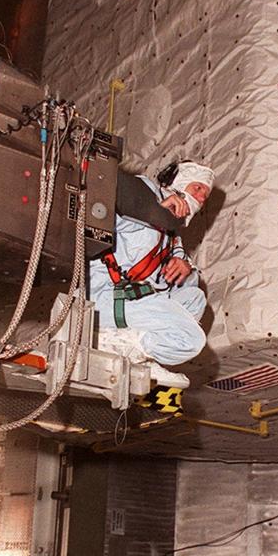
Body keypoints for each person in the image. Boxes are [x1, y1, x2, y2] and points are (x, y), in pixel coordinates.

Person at [91, 161, 215, 389]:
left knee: (194, 296)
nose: (201, 198)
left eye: (205, 195)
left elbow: (177, 271)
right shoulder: (143, 190)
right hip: (104, 299)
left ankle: (137, 352)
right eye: (197, 188)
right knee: (190, 341)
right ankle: (111, 341)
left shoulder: (172, 237)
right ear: (177, 181)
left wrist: (185, 265)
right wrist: (152, 210)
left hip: (135, 300)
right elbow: (98, 207)